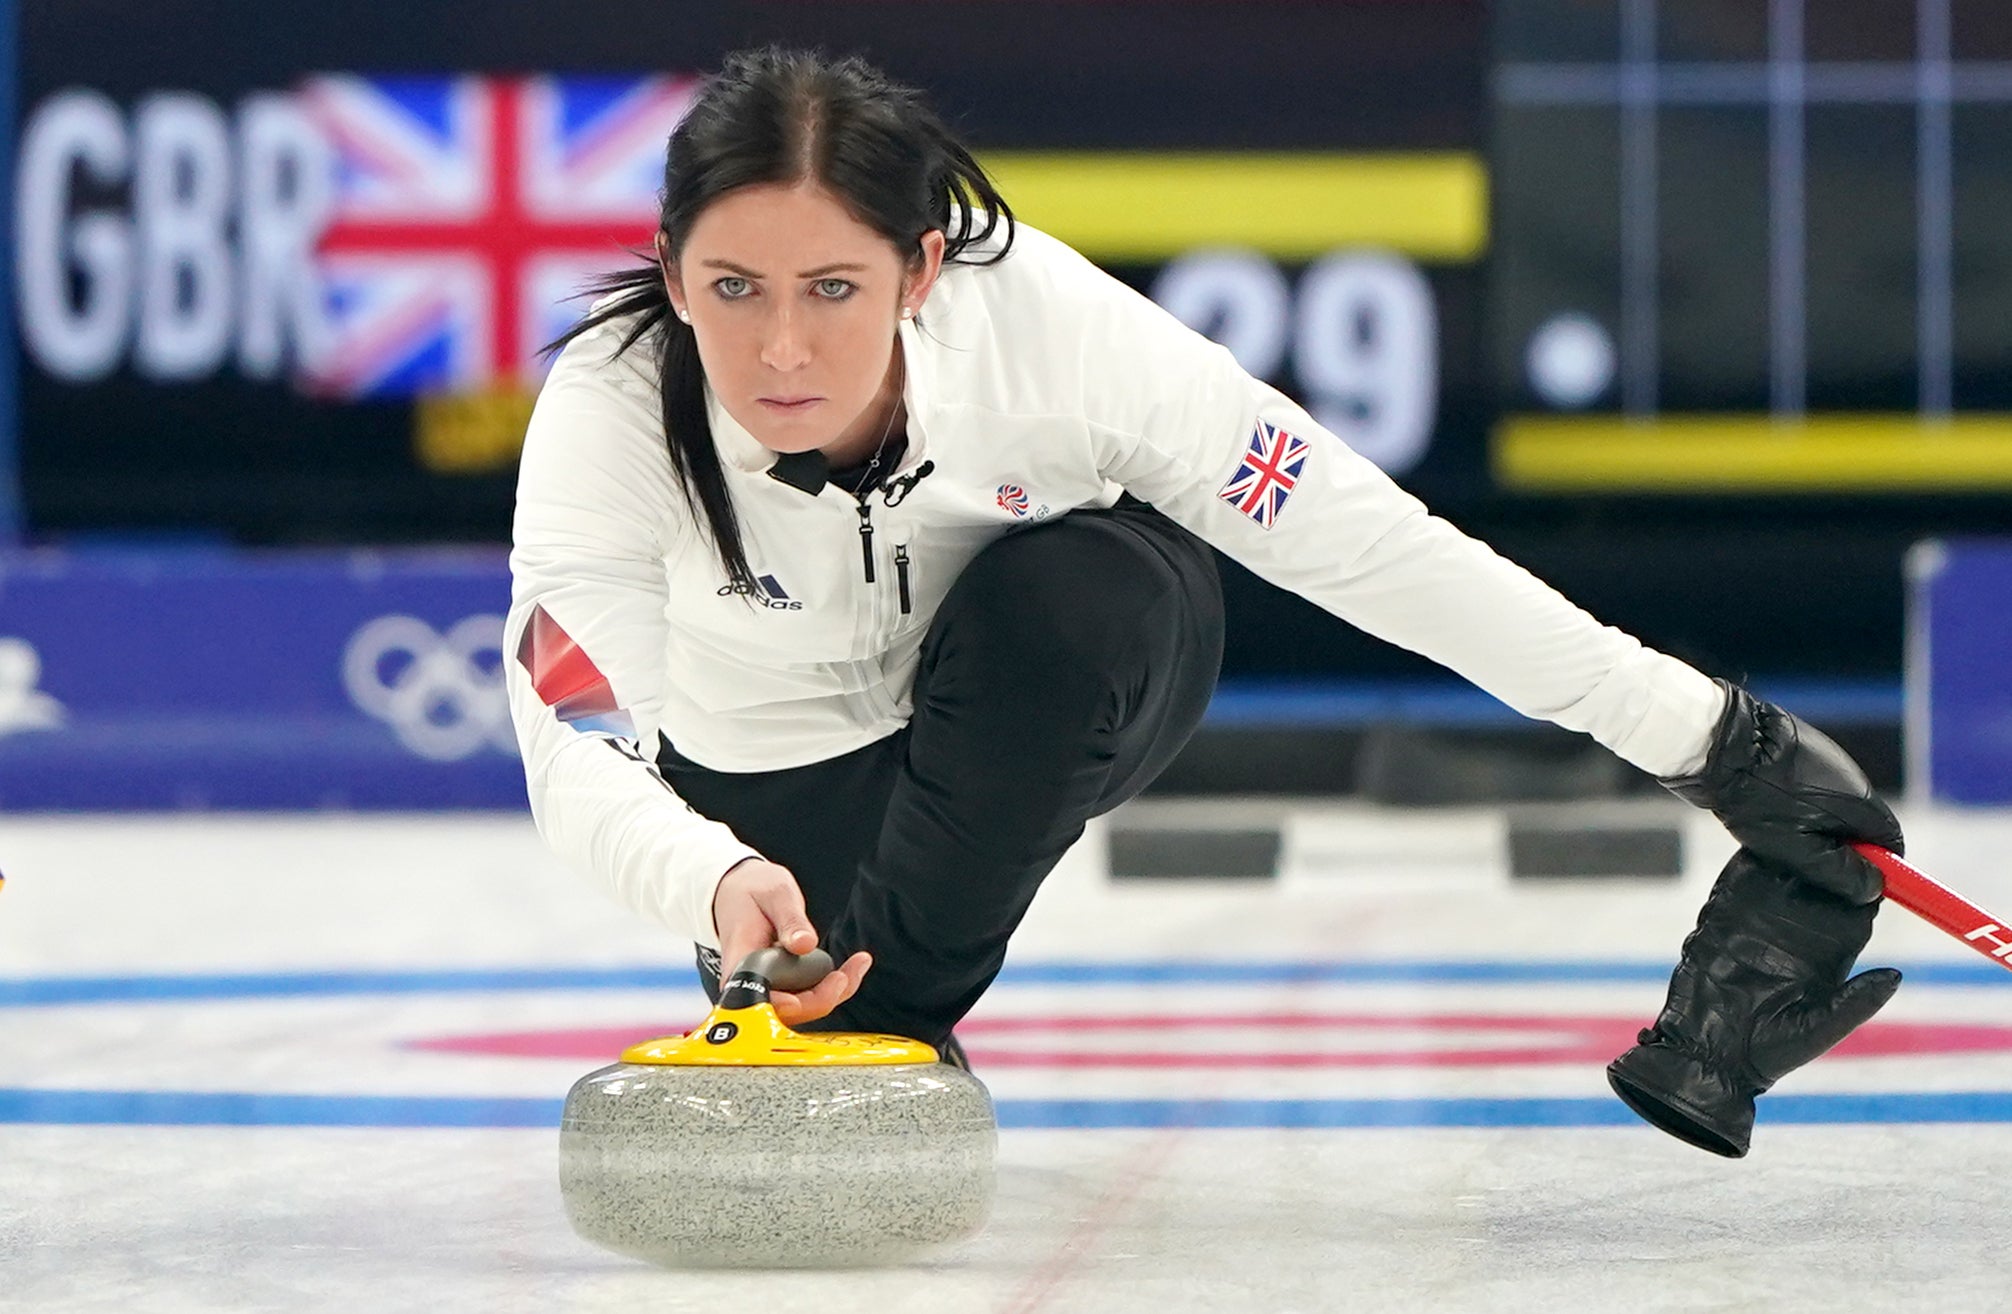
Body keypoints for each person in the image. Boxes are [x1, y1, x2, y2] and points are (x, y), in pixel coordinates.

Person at [505, 46, 1902, 1156]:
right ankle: (840, 989)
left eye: (833, 286)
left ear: (921, 271)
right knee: (771, 876)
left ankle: (891, 1025)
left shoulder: (1055, 336)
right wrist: (718, 879)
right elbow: (577, 739)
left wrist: (1710, 737)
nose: (782, 346)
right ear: (674, 267)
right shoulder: (613, 409)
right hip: (776, 787)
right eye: (732, 288)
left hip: (1063, 686)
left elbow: (1371, 545)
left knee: (1080, 593)